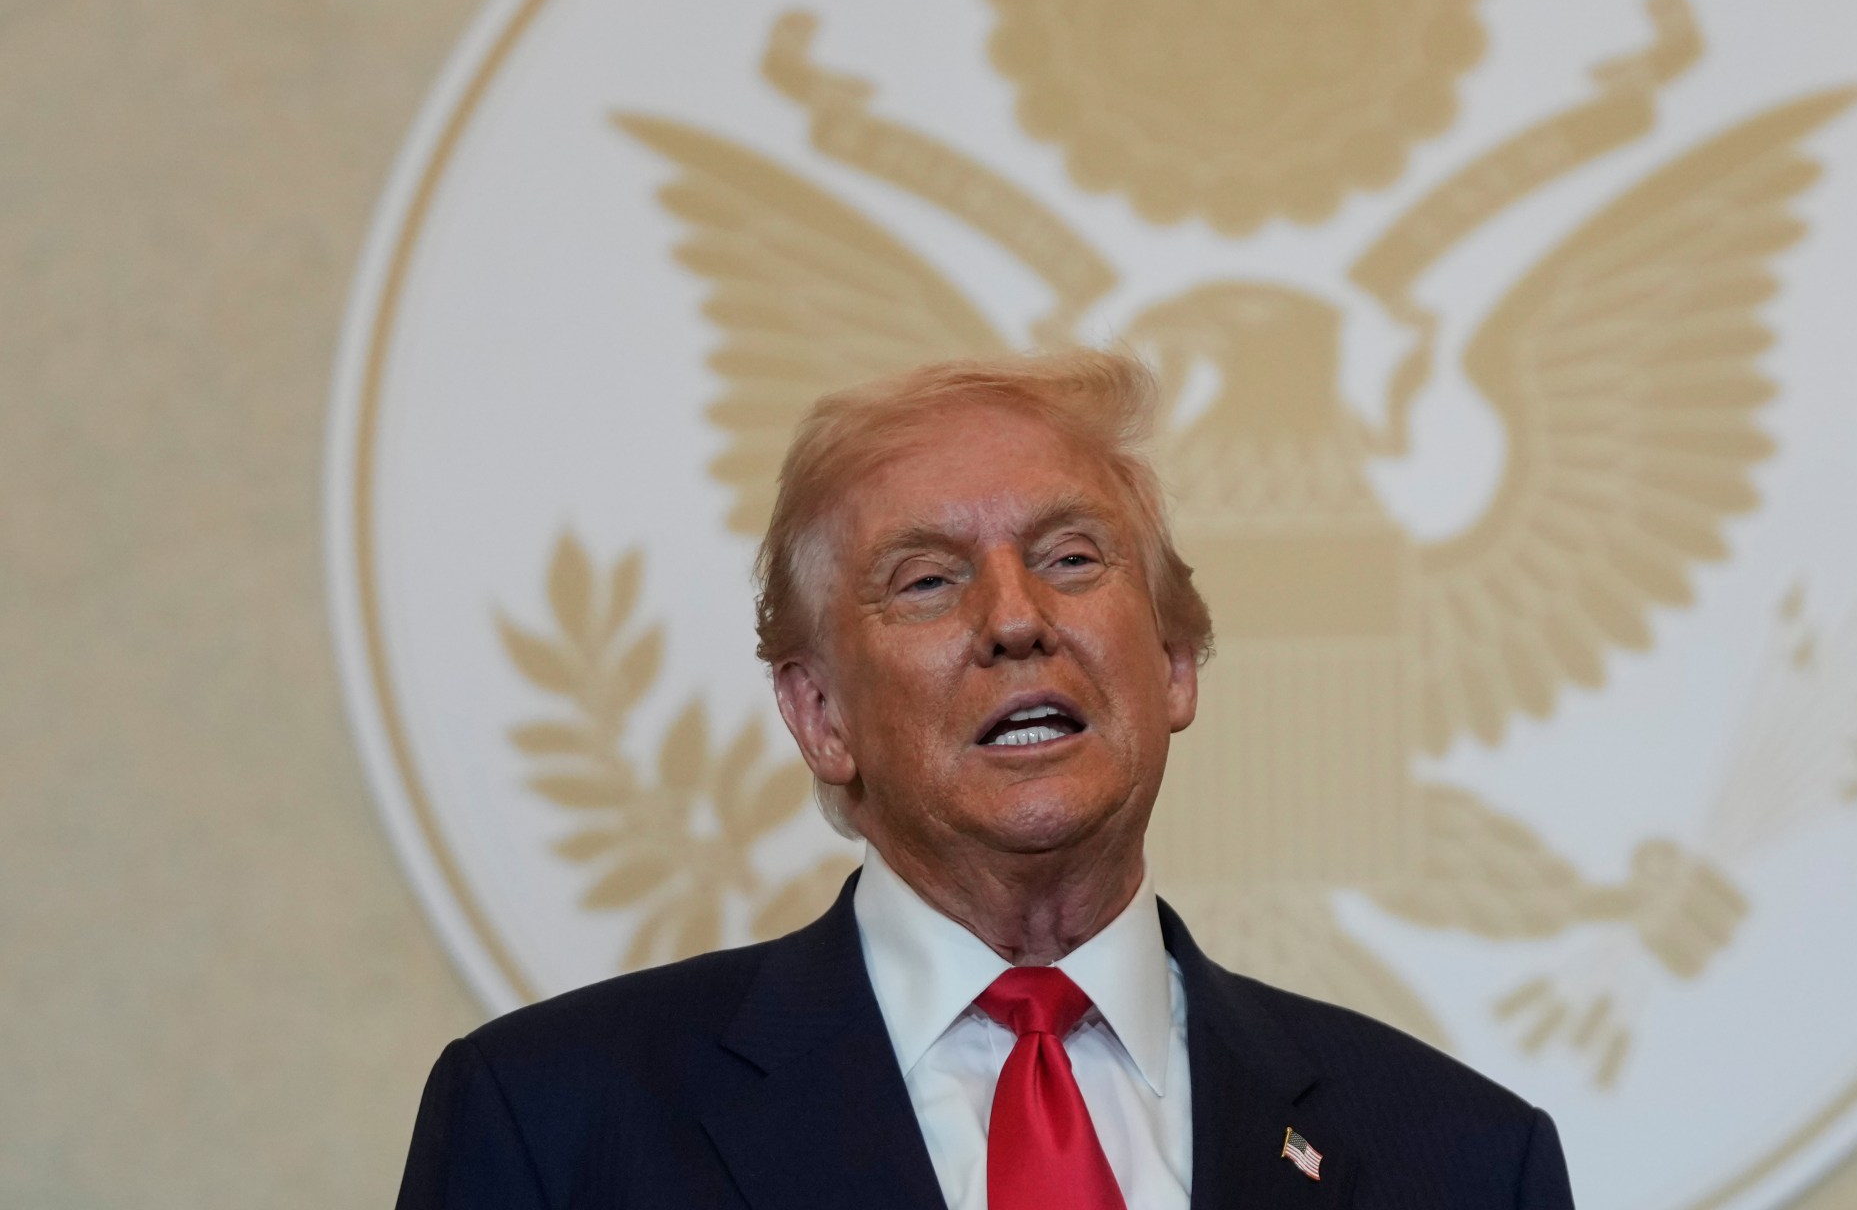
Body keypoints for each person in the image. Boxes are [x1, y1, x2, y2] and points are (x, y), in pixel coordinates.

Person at [396, 350, 1575, 1209]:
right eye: (925, 581)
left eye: (1071, 558)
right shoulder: (554, 1126)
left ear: (1173, 664)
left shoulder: (1462, 1161)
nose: (1016, 619)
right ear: (819, 715)